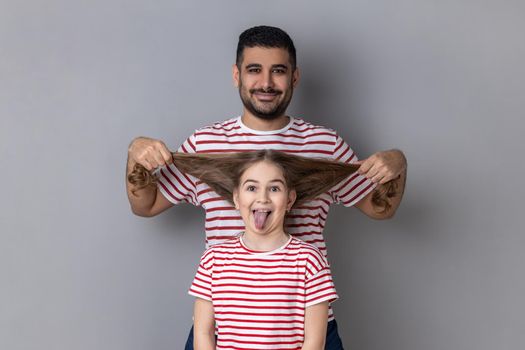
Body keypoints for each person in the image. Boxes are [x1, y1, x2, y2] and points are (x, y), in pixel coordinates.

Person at [126, 25, 407, 348]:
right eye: (254, 70)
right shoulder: (205, 144)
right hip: (226, 330)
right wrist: (136, 156)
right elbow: (144, 205)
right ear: (237, 75)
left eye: (279, 71)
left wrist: (398, 164)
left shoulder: (325, 145)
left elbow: (380, 208)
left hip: (308, 329)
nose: (266, 83)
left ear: (295, 77)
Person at [128, 150, 398, 349]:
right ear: (236, 198)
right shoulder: (214, 260)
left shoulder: (309, 260)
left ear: (290, 199)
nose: (263, 197)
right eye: (251, 187)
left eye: (275, 188)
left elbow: (314, 344)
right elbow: (204, 334)